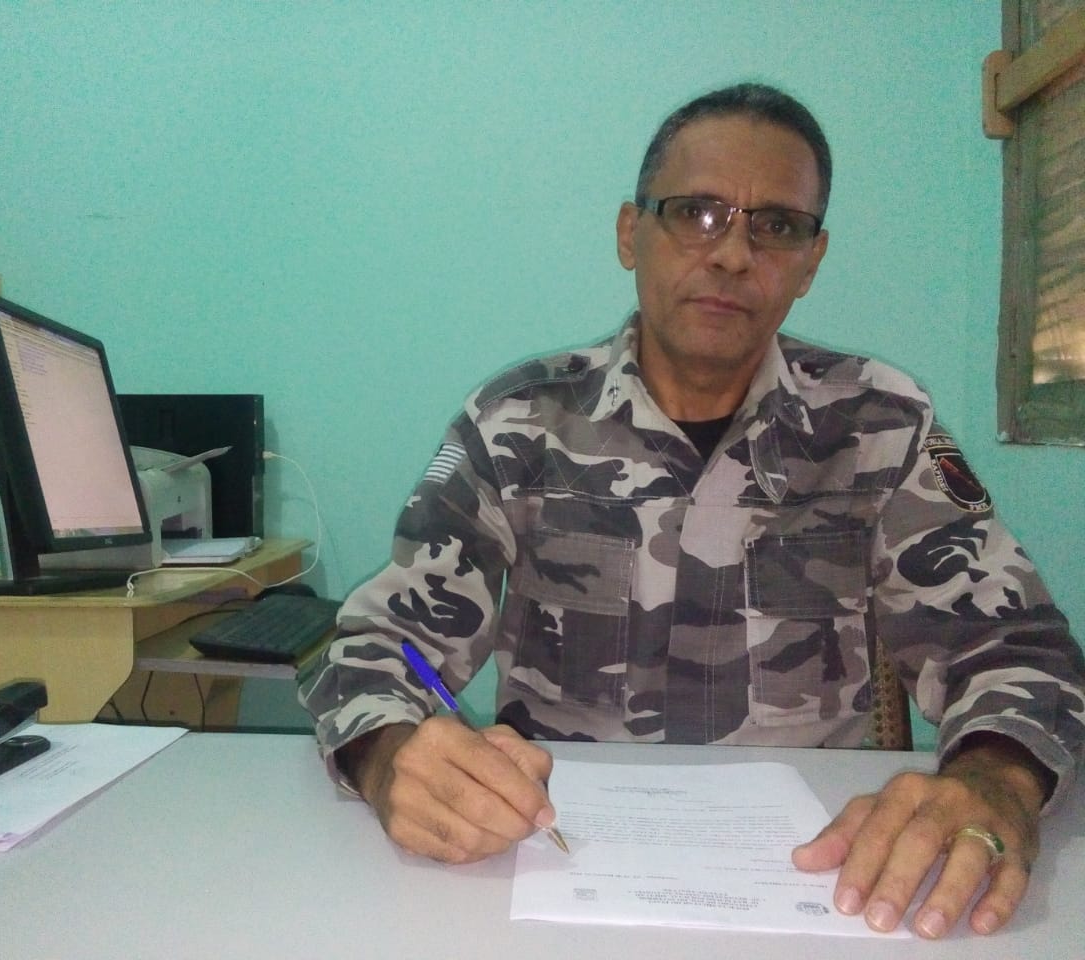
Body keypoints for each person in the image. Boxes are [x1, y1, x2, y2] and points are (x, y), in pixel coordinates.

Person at [298, 82, 1085, 939]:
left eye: (775, 225)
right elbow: (378, 646)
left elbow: (1017, 650)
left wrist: (994, 781)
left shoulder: (880, 425)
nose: (733, 255)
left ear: (812, 260)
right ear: (630, 234)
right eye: (696, 214)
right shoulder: (519, 423)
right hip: (554, 865)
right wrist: (388, 757)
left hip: (817, 884)